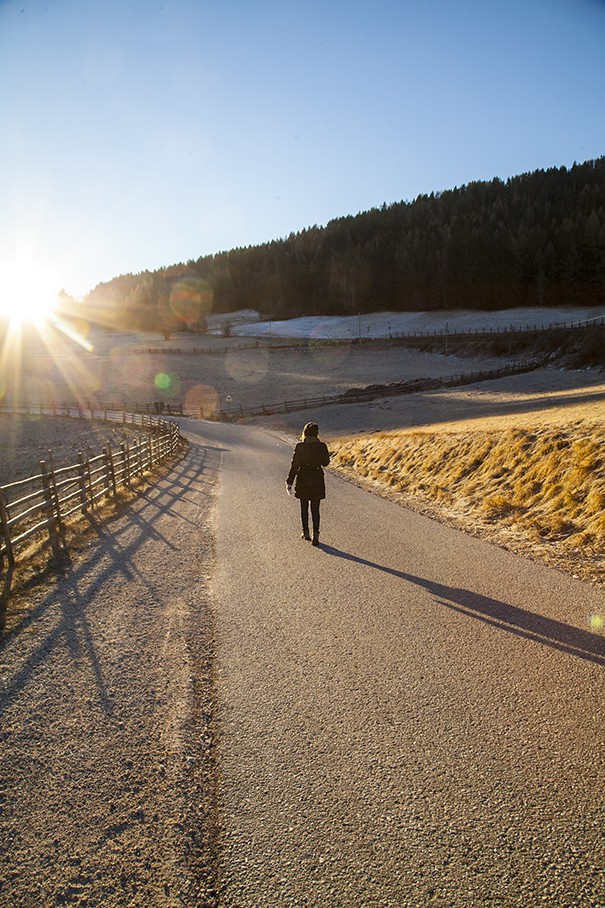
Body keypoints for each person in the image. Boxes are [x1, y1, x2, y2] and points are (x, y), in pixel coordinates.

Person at [286, 422, 330, 546]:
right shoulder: (322, 446)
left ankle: (306, 532)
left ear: (305, 433)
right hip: (317, 478)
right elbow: (325, 463)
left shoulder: (300, 447)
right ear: (317, 433)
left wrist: (290, 482)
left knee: (304, 507)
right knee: (315, 508)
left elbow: (294, 466)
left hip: (303, 478)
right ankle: (316, 533)